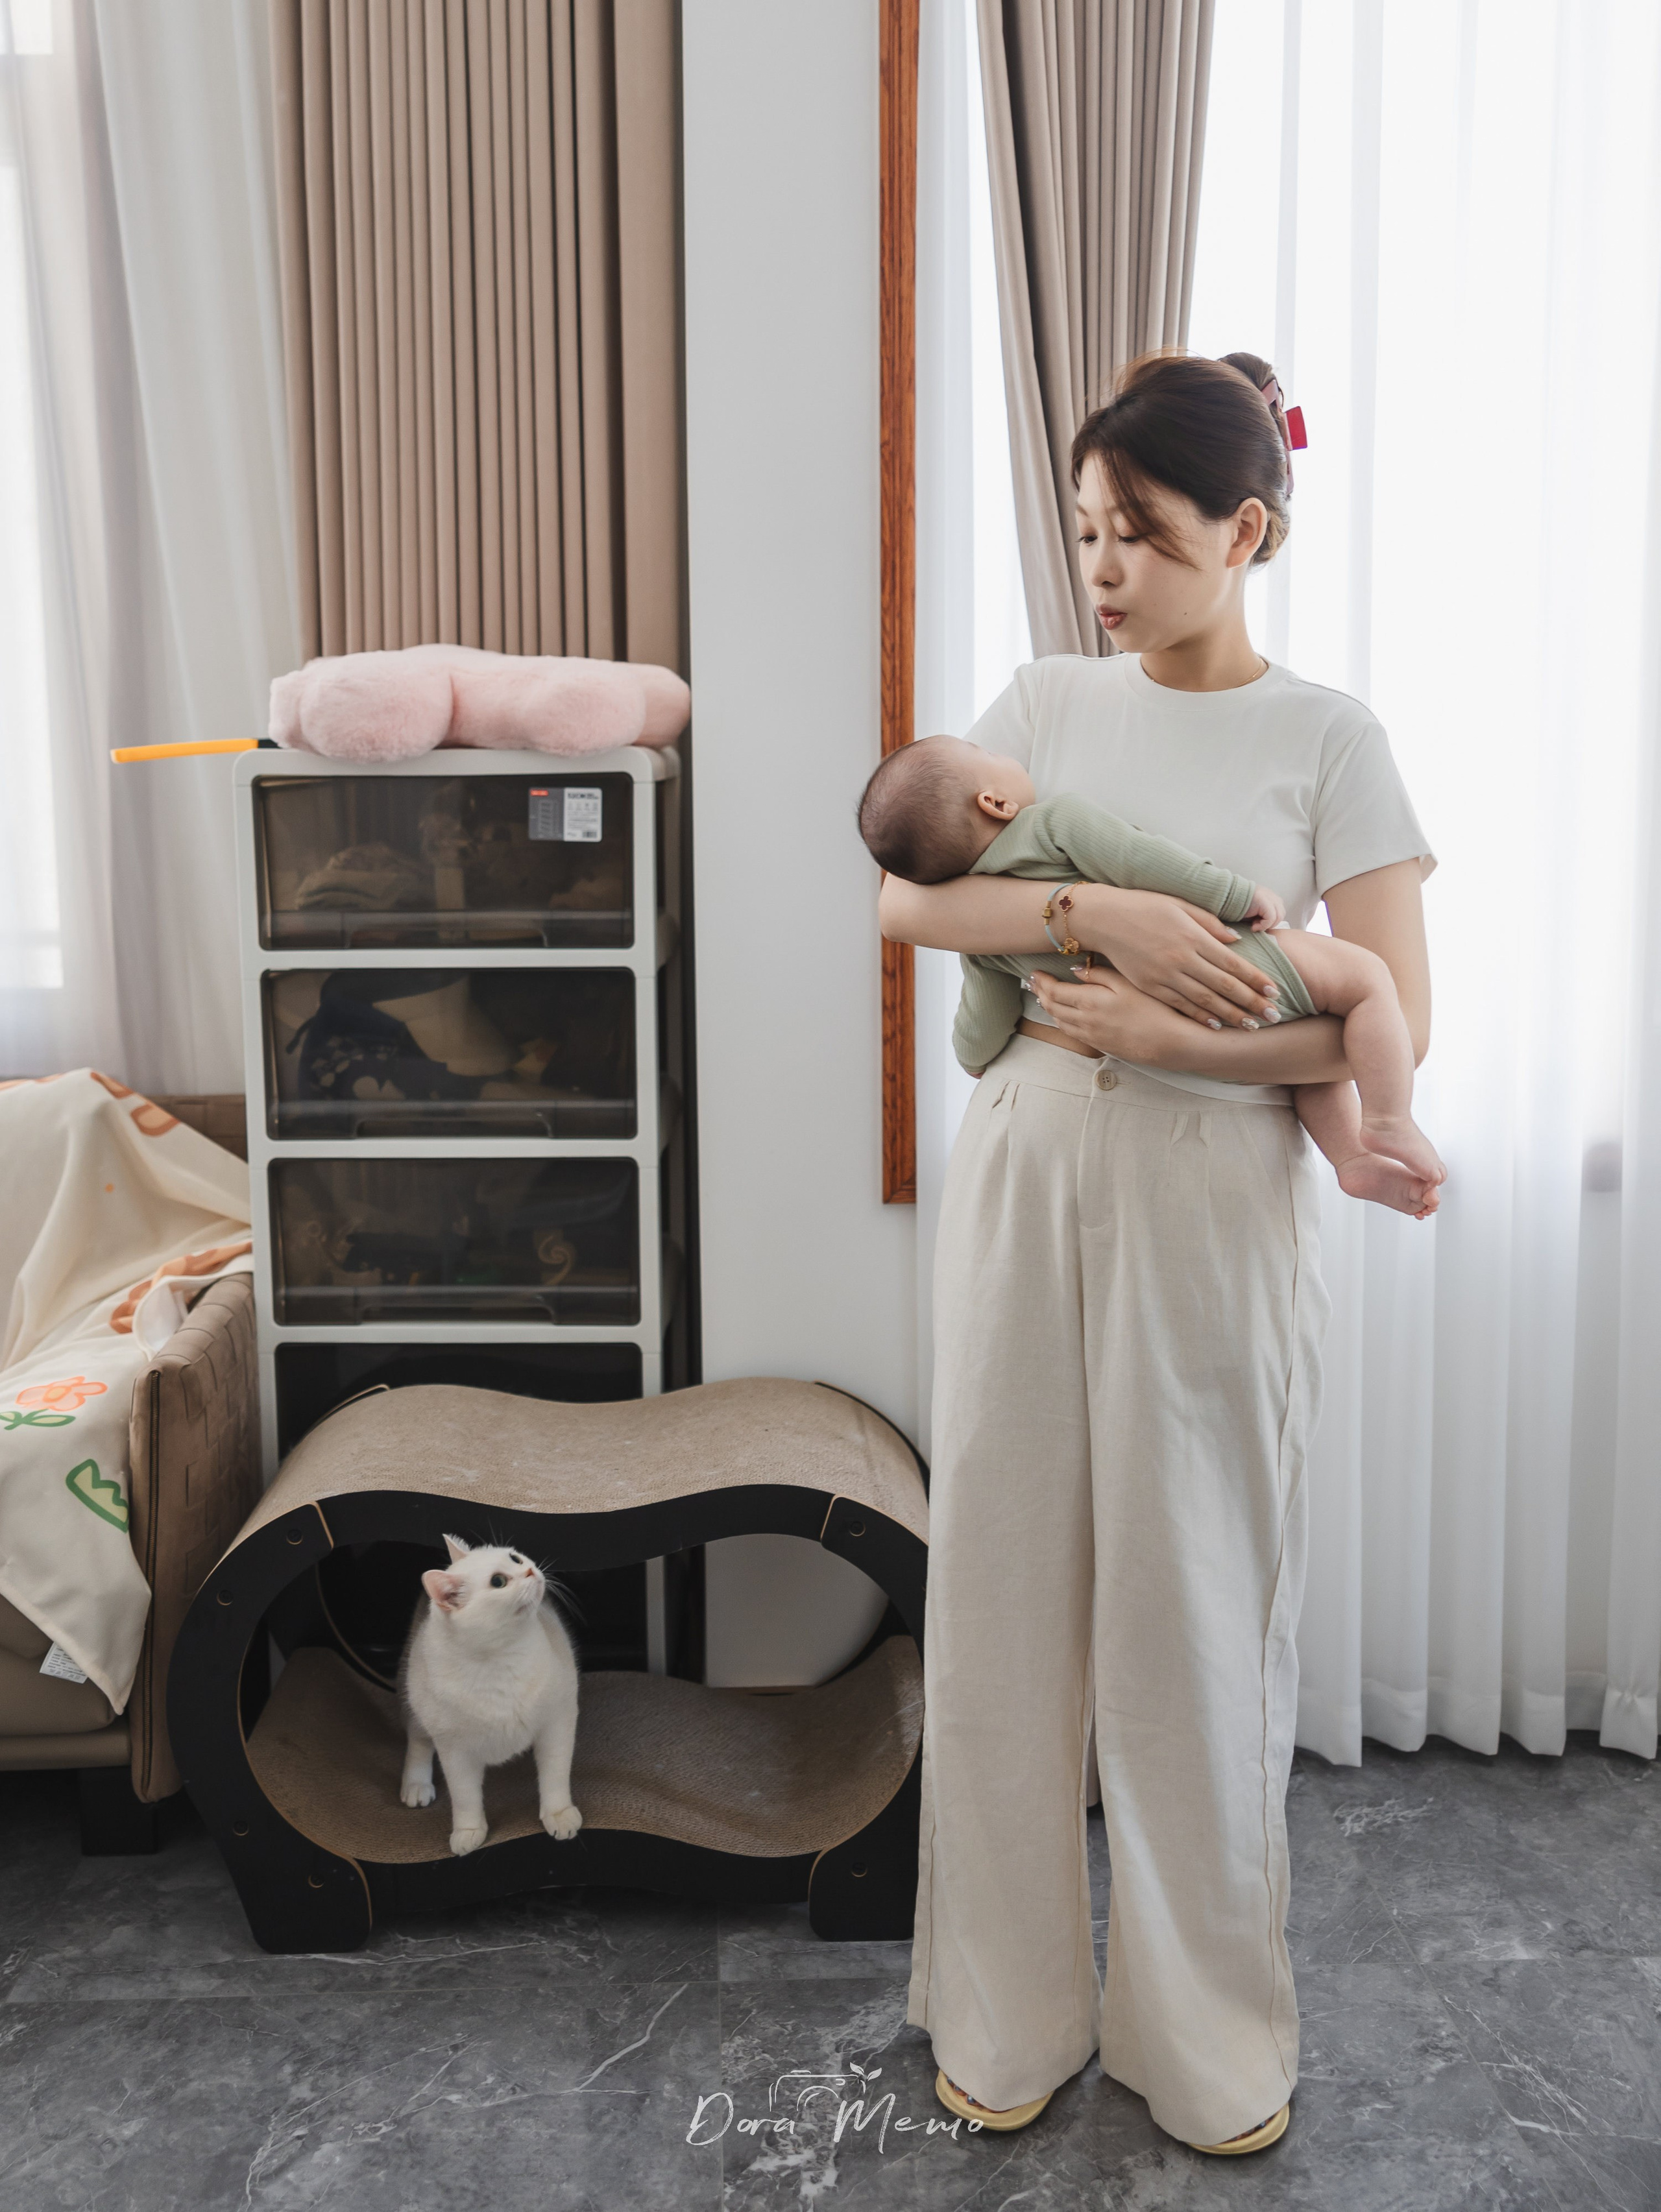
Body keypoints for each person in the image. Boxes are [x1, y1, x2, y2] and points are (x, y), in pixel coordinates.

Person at [879, 350, 1436, 2153]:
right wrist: (1100, 906)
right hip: (1030, 1173)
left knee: (1200, 1612)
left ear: (1248, 531)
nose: (1102, 565)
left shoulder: (1331, 736)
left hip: (1219, 1196)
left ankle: (1203, 2043)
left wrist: (1190, 1039)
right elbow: (907, 889)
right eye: (1087, 528)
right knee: (1005, 1595)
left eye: (1142, 532)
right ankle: (1005, 2009)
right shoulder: (1044, 695)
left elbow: (1389, 1010)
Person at [858, 736, 1443, 1216]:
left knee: (1303, 1068)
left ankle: (1351, 1160)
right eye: (987, 752)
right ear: (996, 803)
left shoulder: (986, 942)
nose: (1002, 750)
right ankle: (1387, 1119)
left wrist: (970, 1057)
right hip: (1231, 962)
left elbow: (981, 1028)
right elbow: (1145, 859)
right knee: (1365, 982)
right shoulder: (1054, 823)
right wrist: (1237, 893)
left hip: (1153, 1023)